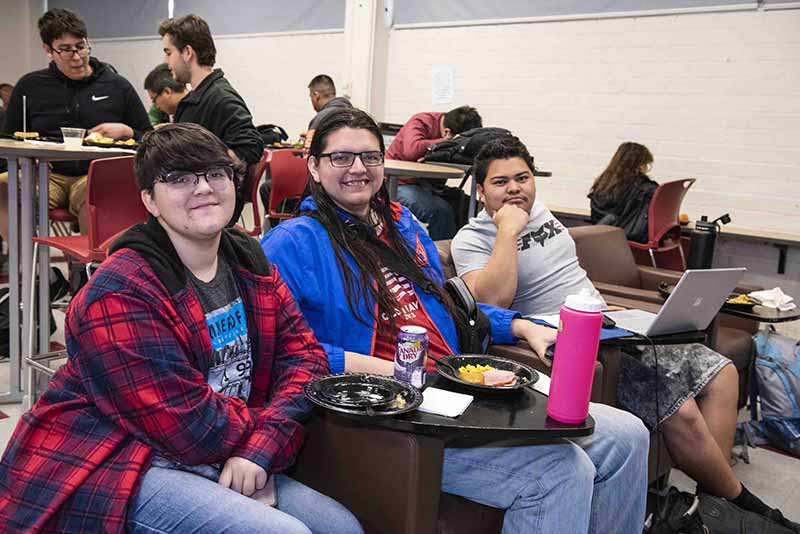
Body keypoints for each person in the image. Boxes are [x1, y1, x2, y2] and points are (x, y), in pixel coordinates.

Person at [261, 107, 649, 534]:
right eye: (341, 158)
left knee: (628, 435)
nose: (358, 168)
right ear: (314, 167)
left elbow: (446, 304)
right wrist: (390, 373)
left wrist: (518, 325)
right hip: (395, 414)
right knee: (560, 470)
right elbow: (285, 353)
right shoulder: (291, 244)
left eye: (370, 157)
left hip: (458, 385)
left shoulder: (402, 224)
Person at [0, 123, 363, 534]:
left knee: (340, 526)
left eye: (215, 173)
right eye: (179, 179)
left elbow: (305, 359)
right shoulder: (121, 290)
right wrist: (264, 441)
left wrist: (258, 452)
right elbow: (186, 424)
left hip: (222, 445)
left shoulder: (250, 262)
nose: (204, 188)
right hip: (117, 457)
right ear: (149, 201)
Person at [450, 136, 800, 532]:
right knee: (680, 409)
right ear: (481, 192)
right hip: (575, 342)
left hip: (612, 325)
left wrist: (610, 308)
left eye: (523, 177)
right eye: (500, 182)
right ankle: (747, 506)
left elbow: (567, 276)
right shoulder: (473, 238)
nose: (514, 189)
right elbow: (492, 300)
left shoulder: (542, 213)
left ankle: (711, 509)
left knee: (722, 372)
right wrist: (507, 232)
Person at [0, 8, 151, 240]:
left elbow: (150, 137)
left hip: (95, 174)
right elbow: (9, 138)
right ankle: (34, 272)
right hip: (46, 175)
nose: (77, 57)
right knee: (3, 188)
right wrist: (28, 157)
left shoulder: (117, 86)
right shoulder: (30, 87)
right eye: (65, 50)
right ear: (48, 50)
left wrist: (128, 131)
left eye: (81, 46)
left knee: (98, 195)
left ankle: (88, 272)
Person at [159, 14, 264, 223]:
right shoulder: (195, 99)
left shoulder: (221, 97)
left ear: (187, 52)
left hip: (205, 206)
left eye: (169, 53)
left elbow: (251, 146)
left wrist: (201, 159)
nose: (166, 61)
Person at [386, 105, 482, 240]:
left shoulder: (452, 128)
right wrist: (446, 142)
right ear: (447, 132)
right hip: (399, 183)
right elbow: (411, 149)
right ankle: (442, 258)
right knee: (441, 212)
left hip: (429, 186)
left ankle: (464, 249)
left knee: (468, 207)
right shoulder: (421, 121)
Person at [588, 142, 658, 243]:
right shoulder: (642, 188)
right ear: (638, 166)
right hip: (626, 240)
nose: (646, 168)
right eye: (645, 164)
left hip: (599, 238)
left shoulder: (602, 182)